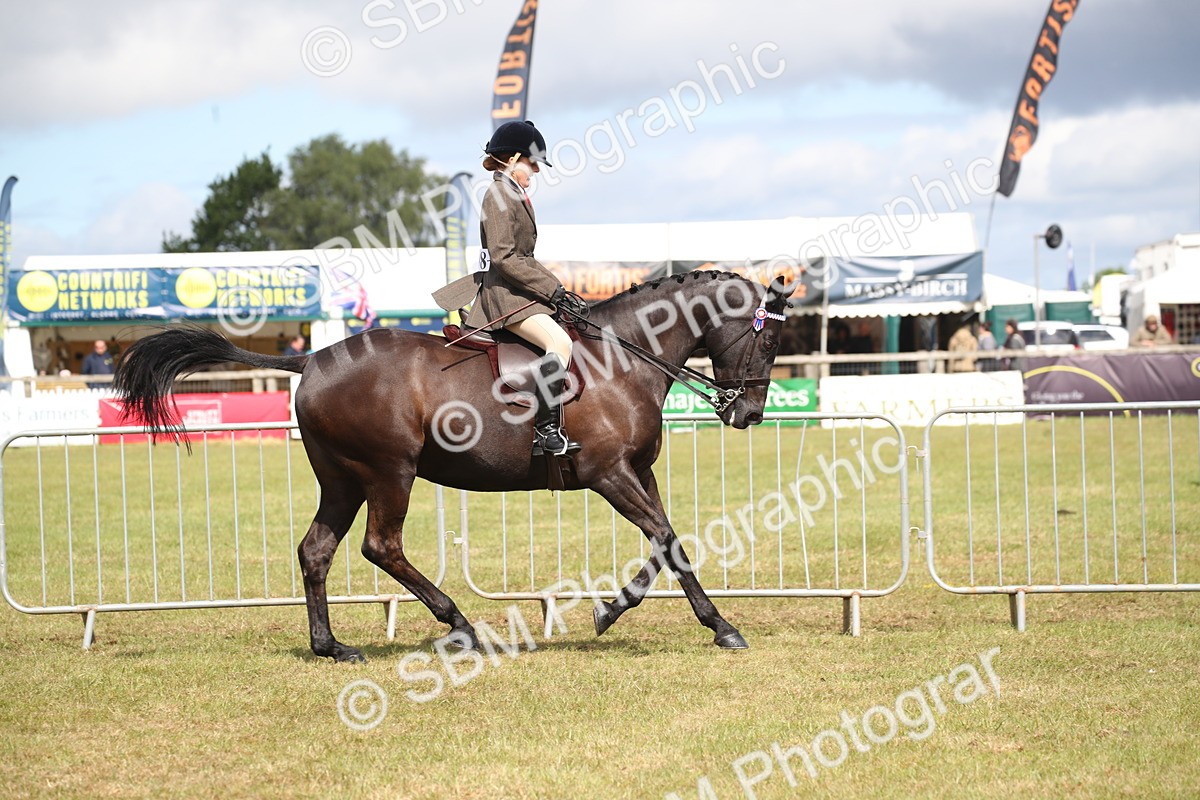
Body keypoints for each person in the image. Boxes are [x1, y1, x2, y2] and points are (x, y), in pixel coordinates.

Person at [432, 120, 580, 457]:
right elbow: (504, 257)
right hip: (505, 297)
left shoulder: (513, 194)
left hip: (520, 292)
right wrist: (551, 291)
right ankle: (545, 433)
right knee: (559, 342)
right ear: (513, 158)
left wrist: (559, 290)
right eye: (532, 163)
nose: (536, 170)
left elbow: (526, 257)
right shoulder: (498, 194)